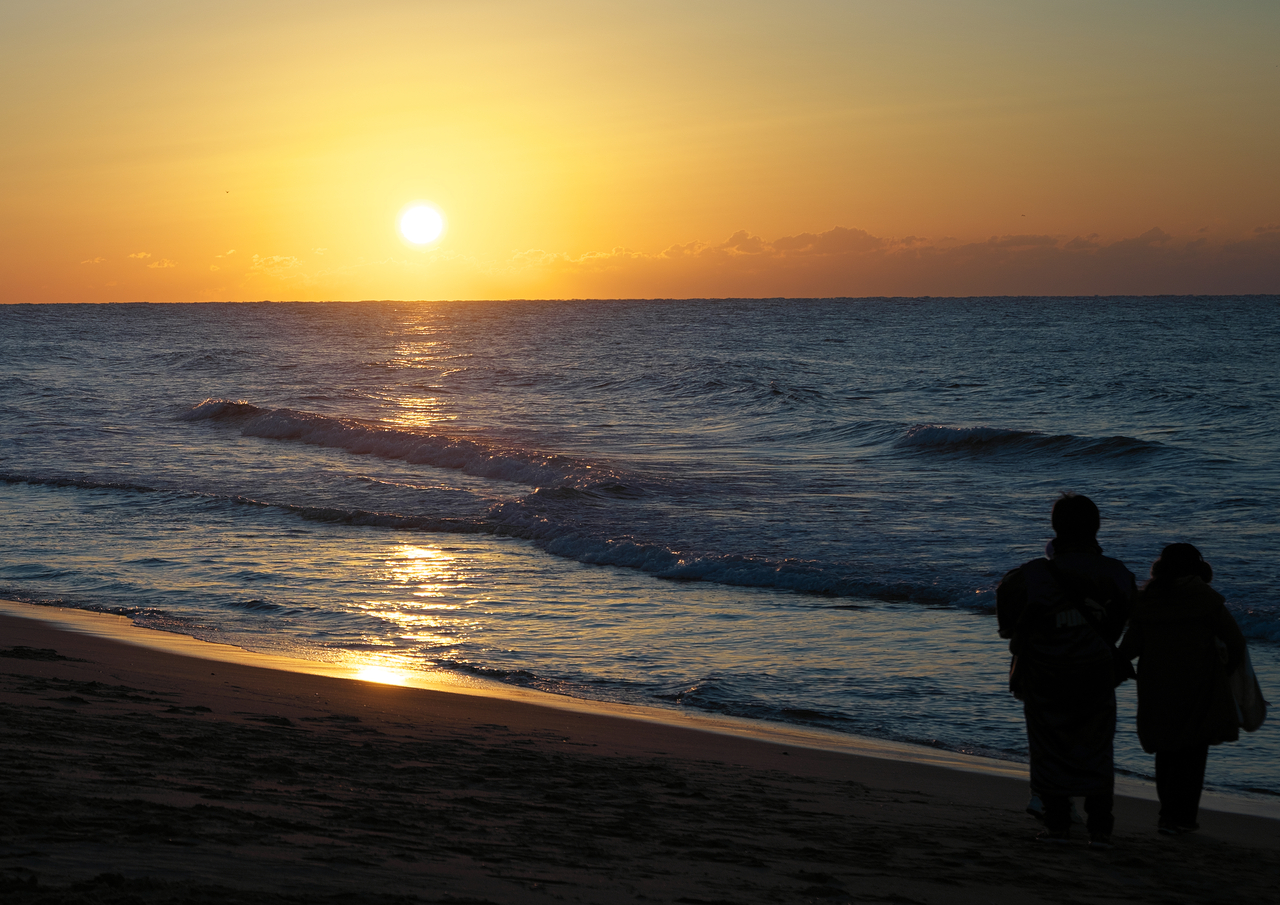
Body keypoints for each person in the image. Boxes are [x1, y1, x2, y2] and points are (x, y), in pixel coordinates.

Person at [997, 493, 1136, 849]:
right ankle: (1101, 829)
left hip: (1045, 673)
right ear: (1096, 527)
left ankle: (1058, 825)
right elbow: (1122, 623)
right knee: (1097, 747)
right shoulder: (1119, 574)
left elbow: (1009, 626)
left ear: (1056, 527)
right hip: (1096, 673)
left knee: (1048, 747)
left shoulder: (1027, 576)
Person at [1118, 543, 1246, 835]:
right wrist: (1224, 673)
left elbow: (1129, 649)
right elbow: (1236, 642)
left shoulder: (1148, 600)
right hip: (1199, 686)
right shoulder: (1206, 600)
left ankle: (1167, 814)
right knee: (1193, 751)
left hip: (1156, 686)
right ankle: (1184, 817)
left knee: (1166, 750)